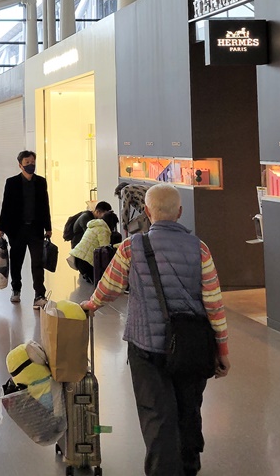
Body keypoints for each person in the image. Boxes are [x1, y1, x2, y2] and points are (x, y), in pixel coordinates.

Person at [81, 183, 230, 476]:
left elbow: (109, 287)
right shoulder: (200, 249)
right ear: (180, 213)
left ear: (147, 212)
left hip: (146, 347)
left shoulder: (130, 247)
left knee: (157, 417)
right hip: (192, 348)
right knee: (189, 410)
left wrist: (91, 305)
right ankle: (189, 466)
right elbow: (214, 303)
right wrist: (222, 349)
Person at [0, 150, 51, 308]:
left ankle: (39, 295)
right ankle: (16, 289)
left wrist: (48, 226)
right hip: (17, 230)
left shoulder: (40, 182)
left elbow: (44, 205)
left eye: (32, 162)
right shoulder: (12, 182)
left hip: (36, 229)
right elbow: (5, 206)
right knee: (17, 262)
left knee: (37, 263)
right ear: (20, 165)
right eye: (27, 163)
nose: (30, 165)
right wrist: (1, 228)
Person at [70, 216, 112, 284]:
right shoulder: (104, 230)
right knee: (100, 283)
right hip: (86, 262)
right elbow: (104, 249)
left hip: (78, 258)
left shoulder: (93, 226)